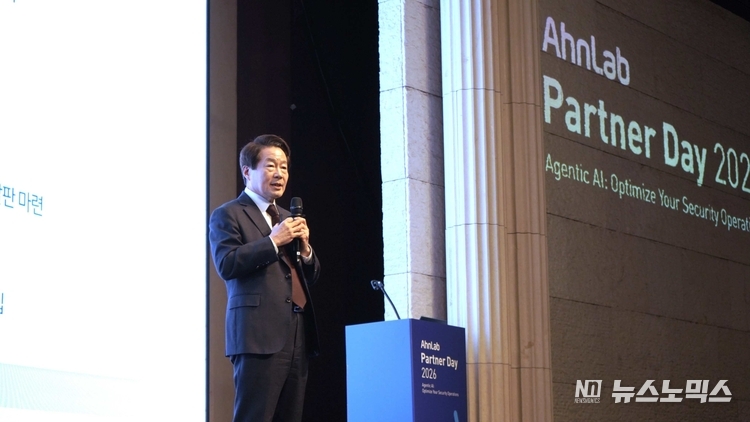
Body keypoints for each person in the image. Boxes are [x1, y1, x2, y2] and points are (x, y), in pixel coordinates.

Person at [209, 134, 320, 422]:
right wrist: (273, 241)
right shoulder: (228, 214)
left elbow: (310, 276)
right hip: (257, 337)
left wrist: (305, 249)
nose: (280, 173)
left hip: (296, 334)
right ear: (248, 171)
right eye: (271, 166)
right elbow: (227, 264)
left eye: (284, 167)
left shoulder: (286, 217)